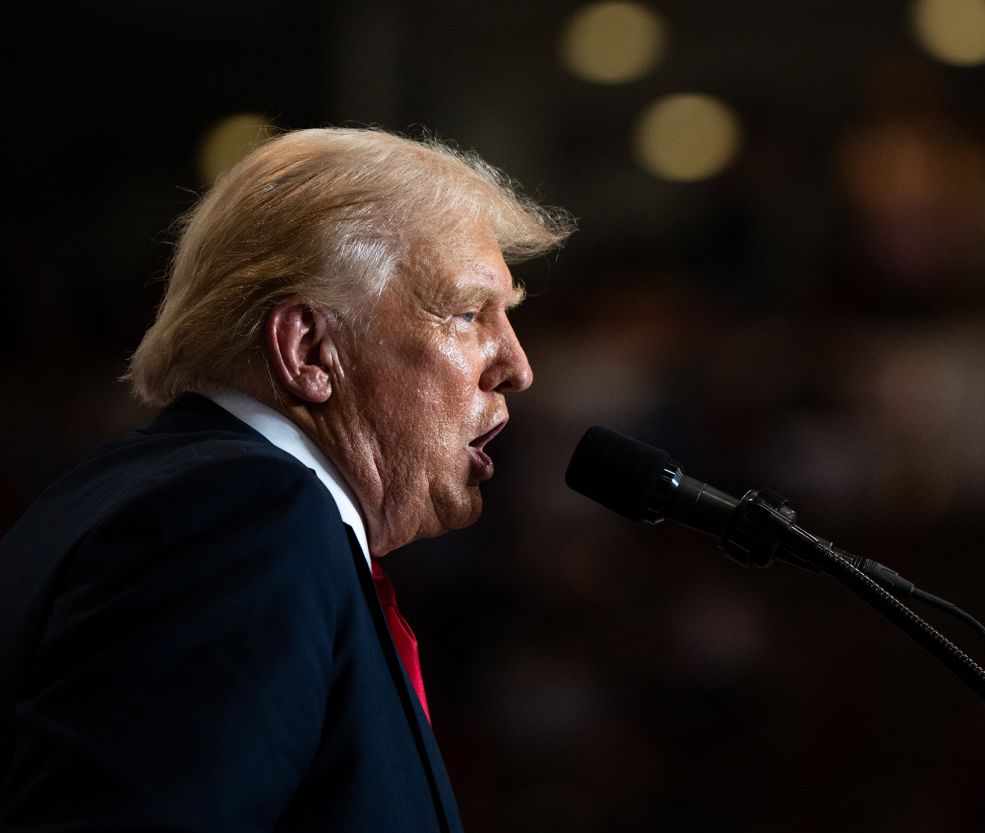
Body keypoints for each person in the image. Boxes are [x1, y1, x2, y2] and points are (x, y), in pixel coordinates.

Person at [0, 127, 572, 832]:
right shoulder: (243, 522)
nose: (517, 366)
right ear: (309, 349)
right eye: (465, 313)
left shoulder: (119, 493)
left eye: (506, 318)